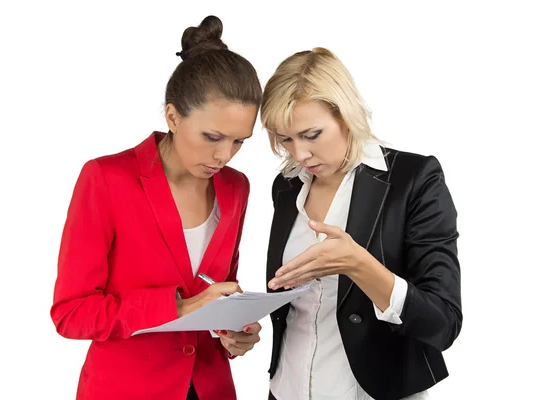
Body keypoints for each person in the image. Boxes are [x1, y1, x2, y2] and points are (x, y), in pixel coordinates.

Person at [50, 16, 263, 400]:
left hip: (211, 389)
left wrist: (232, 332)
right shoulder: (106, 179)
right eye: (212, 137)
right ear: (172, 116)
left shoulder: (236, 188)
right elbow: (71, 313)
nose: (223, 155)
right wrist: (179, 308)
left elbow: (216, 289)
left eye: (239, 141)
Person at [261, 47, 462, 400]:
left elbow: (443, 323)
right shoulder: (287, 186)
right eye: (286, 139)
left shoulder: (414, 180)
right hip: (287, 388)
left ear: (346, 115)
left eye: (311, 135)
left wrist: (359, 265)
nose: (299, 154)